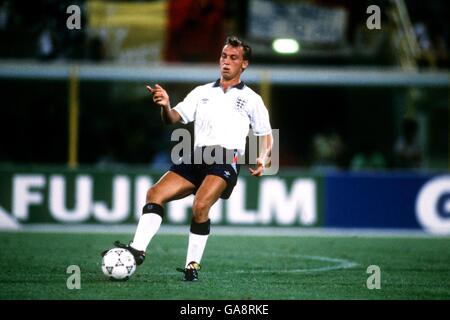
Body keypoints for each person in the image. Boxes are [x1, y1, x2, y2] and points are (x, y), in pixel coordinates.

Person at [104, 36, 273, 281]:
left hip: (225, 159)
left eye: (233, 58)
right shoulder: (201, 92)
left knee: (200, 206)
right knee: (154, 194)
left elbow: (266, 135)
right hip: (196, 157)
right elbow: (172, 119)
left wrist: (263, 158)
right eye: (224, 56)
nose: (226, 62)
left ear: (244, 64)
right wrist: (165, 105)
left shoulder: (252, 99)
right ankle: (137, 250)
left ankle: (192, 266)